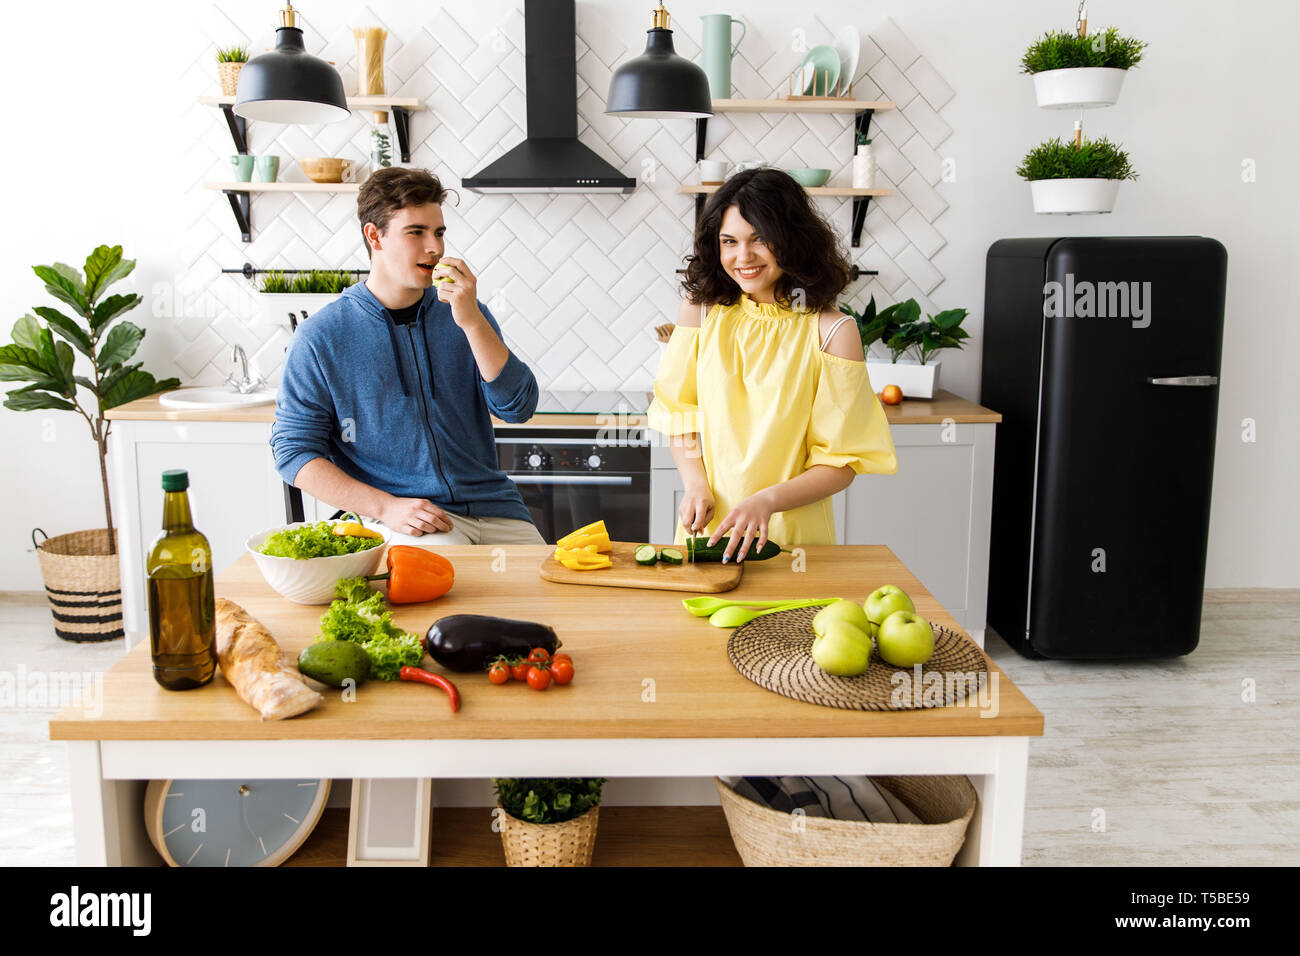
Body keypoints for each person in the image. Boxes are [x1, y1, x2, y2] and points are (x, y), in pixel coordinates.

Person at [270, 166, 545, 545]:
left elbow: (518, 408)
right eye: (416, 232)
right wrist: (385, 507)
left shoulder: (465, 312)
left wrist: (472, 322)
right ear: (374, 236)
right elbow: (294, 451)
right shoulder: (322, 336)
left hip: (498, 508)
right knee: (455, 596)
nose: (435, 248)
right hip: (411, 519)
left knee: (544, 595)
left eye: (439, 232)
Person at [648, 167, 898, 559]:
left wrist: (766, 501)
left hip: (792, 541)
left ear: (792, 240)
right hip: (709, 532)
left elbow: (841, 462)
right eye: (729, 241)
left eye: (759, 239)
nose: (742, 257)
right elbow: (680, 414)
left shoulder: (832, 331)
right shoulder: (701, 312)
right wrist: (695, 483)